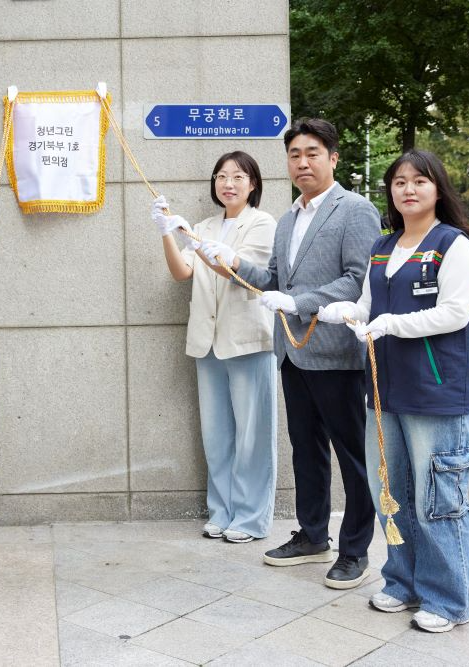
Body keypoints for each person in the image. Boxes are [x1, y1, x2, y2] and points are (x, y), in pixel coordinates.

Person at [207, 119, 382, 589]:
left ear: (333, 158)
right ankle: (311, 535)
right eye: (294, 155)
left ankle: (355, 550)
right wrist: (231, 261)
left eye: (312, 153)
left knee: (351, 455)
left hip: (337, 353)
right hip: (294, 353)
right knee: (306, 449)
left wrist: (300, 303)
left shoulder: (355, 210)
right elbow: (273, 279)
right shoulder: (288, 218)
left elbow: (356, 278)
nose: (302, 162)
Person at [318, 149, 469, 633]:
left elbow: (454, 312)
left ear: (438, 189)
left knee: (438, 498)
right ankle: (402, 582)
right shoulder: (383, 248)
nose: (408, 190)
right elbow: (369, 308)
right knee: (390, 492)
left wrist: (393, 323)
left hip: (435, 393)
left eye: (419, 181)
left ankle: (448, 600)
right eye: (399, 182)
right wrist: (347, 314)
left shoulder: (454, 246)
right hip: (383, 392)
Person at [149, 150, 278, 542]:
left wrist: (198, 242)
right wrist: (168, 233)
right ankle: (222, 511)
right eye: (222, 176)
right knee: (217, 434)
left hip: (248, 341)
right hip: (207, 344)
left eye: (238, 176)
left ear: (252, 183)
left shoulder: (263, 224)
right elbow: (181, 271)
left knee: (253, 434)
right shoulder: (204, 225)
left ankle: (251, 518)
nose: (229, 183)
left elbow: (242, 273)